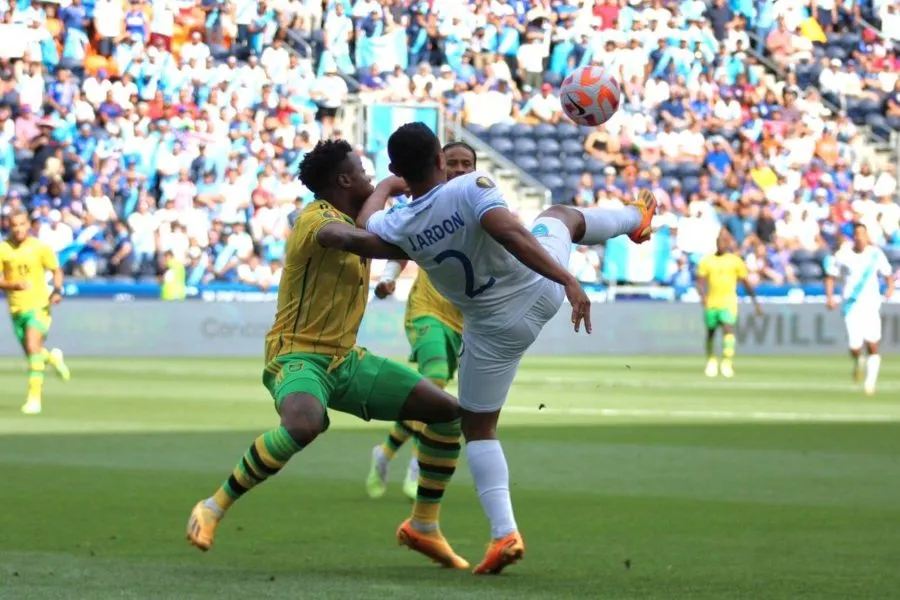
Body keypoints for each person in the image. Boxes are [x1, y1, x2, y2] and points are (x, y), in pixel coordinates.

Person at [357, 122, 656, 575]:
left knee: (478, 426)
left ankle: (504, 534)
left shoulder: (398, 222)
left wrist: (385, 184)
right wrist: (568, 279)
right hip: (540, 291)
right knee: (560, 216)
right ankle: (636, 219)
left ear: (399, 169)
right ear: (441, 161)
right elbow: (514, 235)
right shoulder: (473, 187)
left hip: (494, 329)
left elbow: (364, 224)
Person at [185, 140, 470, 570]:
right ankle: (213, 505)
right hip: (297, 355)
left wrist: (394, 188)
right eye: (362, 171)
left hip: (346, 360)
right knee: (305, 423)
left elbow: (367, 221)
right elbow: (354, 237)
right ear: (343, 180)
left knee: (447, 412)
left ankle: (423, 526)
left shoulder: (355, 216)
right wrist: (416, 229)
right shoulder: (314, 218)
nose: (369, 177)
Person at [366, 142, 476, 501]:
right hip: (427, 310)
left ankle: (384, 452)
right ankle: (418, 465)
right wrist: (388, 277)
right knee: (435, 381)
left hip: (463, 321)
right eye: (454, 162)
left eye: (467, 163)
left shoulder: (483, 205)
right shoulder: (428, 203)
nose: (460, 169)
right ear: (442, 164)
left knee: (435, 395)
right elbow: (402, 243)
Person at [0, 210, 71, 415]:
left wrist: (57, 290)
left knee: (32, 346)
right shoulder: (3, 249)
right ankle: (53, 359)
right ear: (9, 226)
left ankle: (34, 399)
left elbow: (56, 269)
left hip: (39, 306)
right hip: (16, 309)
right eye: (14, 225)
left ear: (28, 225)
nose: (19, 228)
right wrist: (12, 285)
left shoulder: (39, 248)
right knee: (34, 352)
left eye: (22, 224)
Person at [824, 223, 895, 395]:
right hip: (851, 305)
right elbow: (831, 276)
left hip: (870, 305)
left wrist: (890, 287)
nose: (860, 237)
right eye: (857, 234)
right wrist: (830, 296)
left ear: (867, 235)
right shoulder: (843, 255)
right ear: (853, 237)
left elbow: (888, 275)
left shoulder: (876, 254)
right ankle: (858, 360)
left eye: (863, 234)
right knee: (854, 346)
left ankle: (870, 383)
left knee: (872, 344)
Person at [696, 232, 763, 378]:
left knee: (728, 329)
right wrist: (702, 296)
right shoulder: (707, 261)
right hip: (712, 302)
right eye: (719, 242)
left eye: (724, 242)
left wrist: (755, 302)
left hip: (728, 302)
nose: (721, 244)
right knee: (711, 332)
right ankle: (711, 360)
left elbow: (746, 283)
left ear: (728, 244)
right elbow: (700, 282)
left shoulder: (735, 261)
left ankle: (726, 362)